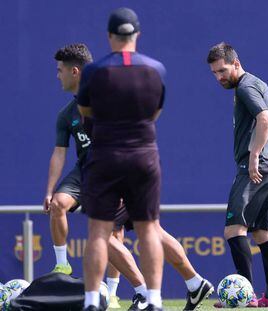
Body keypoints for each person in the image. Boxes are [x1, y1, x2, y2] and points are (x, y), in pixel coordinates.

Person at [44, 43, 145, 309]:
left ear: (74, 71)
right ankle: (62, 265)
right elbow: (59, 153)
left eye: (59, 70)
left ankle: (115, 292)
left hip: (115, 171)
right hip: (85, 172)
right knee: (58, 205)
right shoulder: (66, 114)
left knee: (112, 234)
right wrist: (49, 189)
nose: (57, 76)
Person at [78, 7, 166, 311]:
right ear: (137, 35)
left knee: (98, 232)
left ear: (110, 36)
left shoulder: (93, 72)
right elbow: (154, 113)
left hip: (105, 156)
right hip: (144, 155)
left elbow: (86, 113)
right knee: (148, 228)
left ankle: (91, 302)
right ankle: (153, 300)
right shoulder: (156, 69)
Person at [207, 43, 268, 308]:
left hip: (255, 170)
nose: (219, 77)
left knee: (233, 230)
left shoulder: (245, 86)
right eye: (215, 73)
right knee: (263, 235)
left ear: (236, 63)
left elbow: (265, 119)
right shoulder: (256, 83)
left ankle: (246, 296)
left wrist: (253, 156)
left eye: (223, 70)